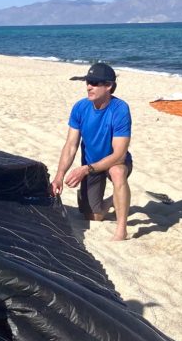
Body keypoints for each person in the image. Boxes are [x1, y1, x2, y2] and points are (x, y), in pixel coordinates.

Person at [51, 62, 133, 241]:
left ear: (109, 86)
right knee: (94, 217)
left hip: (114, 162)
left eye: (95, 83)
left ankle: (121, 230)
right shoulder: (80, 107)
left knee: (118, 172)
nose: (89, 86)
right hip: (90, 164)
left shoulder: (120, 109)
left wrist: (84, 170)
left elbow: (119, 154)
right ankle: (114, 199)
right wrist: (59, 175)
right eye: (88, 82)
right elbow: (71, 145)